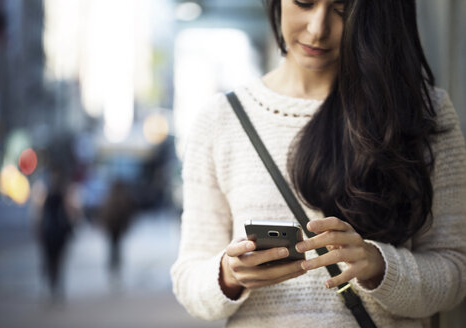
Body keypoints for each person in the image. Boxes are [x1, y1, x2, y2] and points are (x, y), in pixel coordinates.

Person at [171, 0, 466, 327]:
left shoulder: (422, 113)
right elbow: (188, 279)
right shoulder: (220, 120)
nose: (318, 28)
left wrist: (379, 265)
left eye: (342, 10)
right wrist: (228, 273)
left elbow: (455, 272)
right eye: (305, 3)